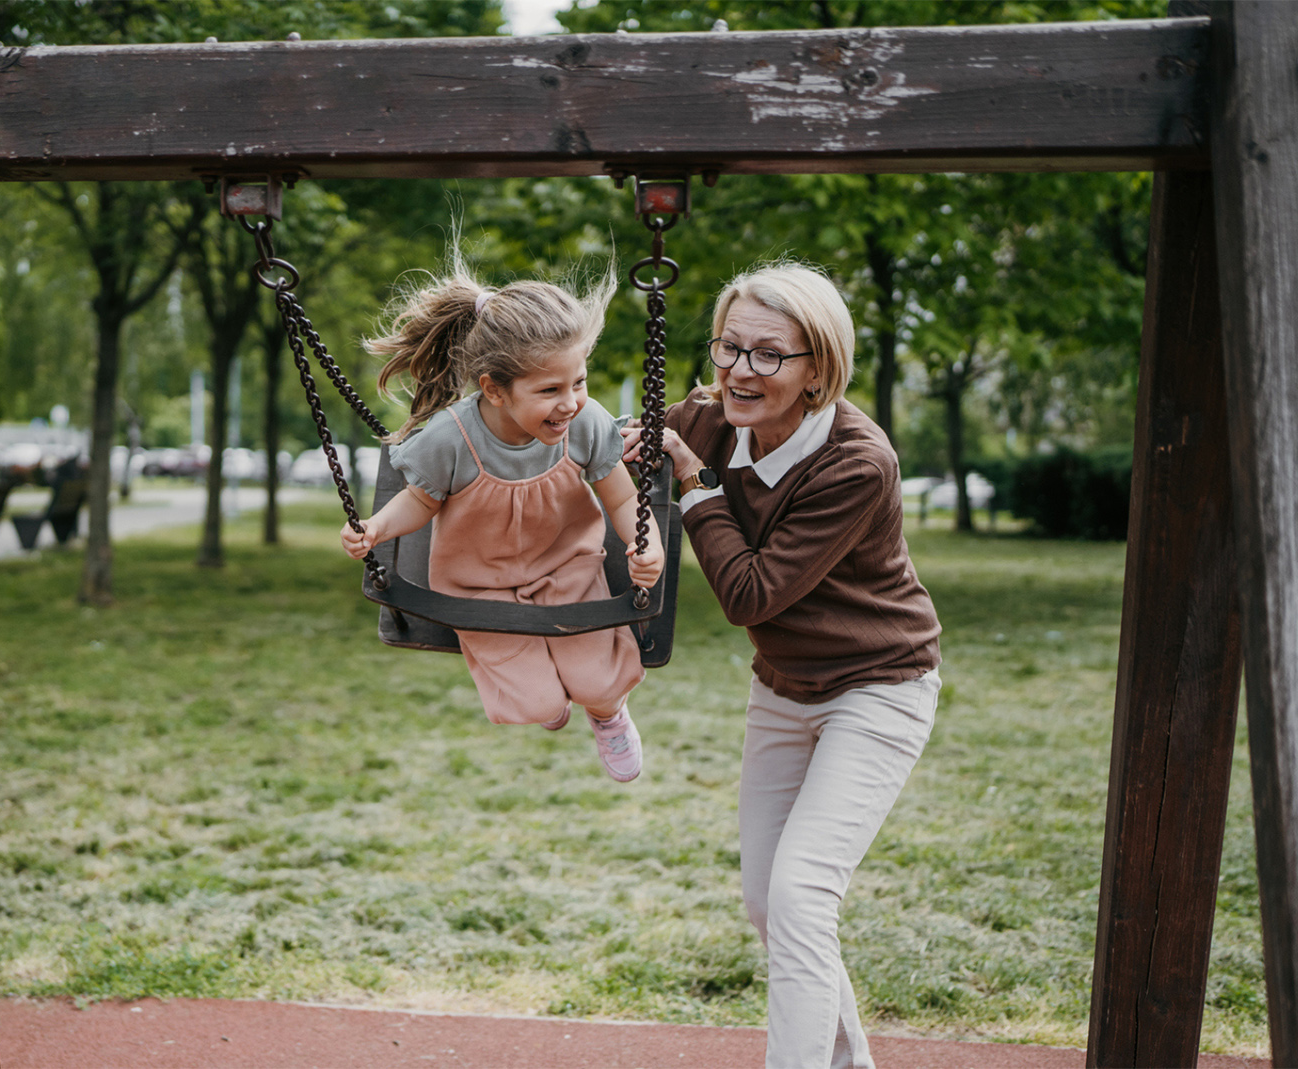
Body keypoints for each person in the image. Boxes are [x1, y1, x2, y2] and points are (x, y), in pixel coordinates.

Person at [634, 262, 941, 1068]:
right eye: (730, 346)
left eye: (769, 354)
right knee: (769, 903)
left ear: (818, 369)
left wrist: (695, 486)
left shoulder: (856, 461)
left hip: (880, 687)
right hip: (783, 687)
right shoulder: (705, 418)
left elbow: (752, 592)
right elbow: (614, 453)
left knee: (802, 894)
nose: (740, 369)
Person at [341, 262, 665, 782]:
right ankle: (552, 698)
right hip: (477, 583)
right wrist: (376, 527)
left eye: (578, 381)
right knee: (537, 702)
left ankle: (608, 716)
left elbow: (624, 500)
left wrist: (646, 547)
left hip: (568, 567)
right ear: (494, 390)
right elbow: (420, 503)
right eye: (549, 390)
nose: (570, 402)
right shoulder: (451, 438)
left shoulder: (584, 424)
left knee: (599, 681)